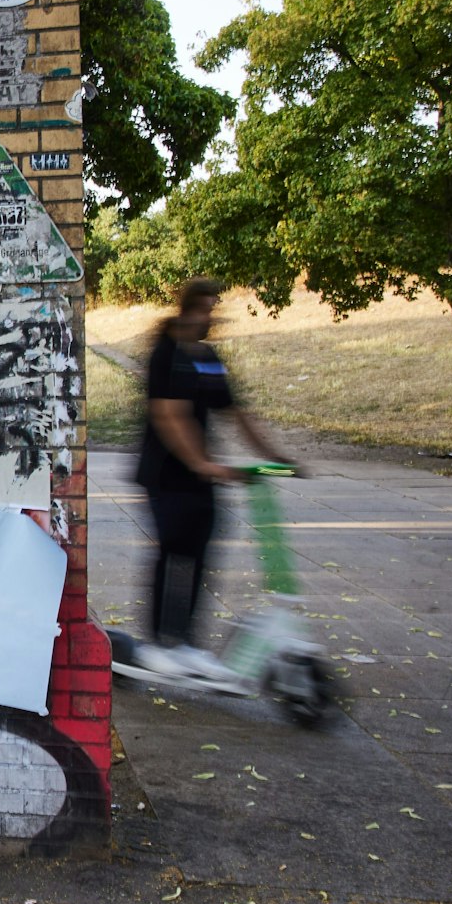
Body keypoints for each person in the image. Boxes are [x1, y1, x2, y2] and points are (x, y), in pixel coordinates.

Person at [134, 278, 296, 681]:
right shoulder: (166, 354)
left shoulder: (208, 357)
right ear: (189, 310)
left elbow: (235, 411)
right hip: (165, 475)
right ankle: (160, 642)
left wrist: (272, 455)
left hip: (199, 477)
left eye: (214, 309)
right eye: (206, 309)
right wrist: (203, 464)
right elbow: (169, 417)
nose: (211, 318)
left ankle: (184, 640)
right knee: (174, 550)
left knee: (201, 552)